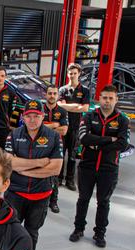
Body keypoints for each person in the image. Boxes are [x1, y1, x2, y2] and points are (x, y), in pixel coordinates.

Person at [4, 100, 63, 250]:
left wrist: (21, 167)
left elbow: (55, 168)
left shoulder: (54, 137)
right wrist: (39, 162)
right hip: (15, 193)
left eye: (36, 116)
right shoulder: (13, 135)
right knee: (10, 230)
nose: (32, 119)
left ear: (42, 117)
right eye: (28, 115)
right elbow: (8, 163)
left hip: (41, 195)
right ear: (23, 117)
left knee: (31, 232)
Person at [69, 85, 129, 248]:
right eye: (104, 97)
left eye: (111, 98)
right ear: (99, 98)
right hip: (87, 166)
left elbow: (123, 144)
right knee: (83, 199)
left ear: (116, 99)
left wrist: (97, 144)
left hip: (109, 168)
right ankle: (78, 229)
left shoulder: (123, 119)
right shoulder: (89, 116)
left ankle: (99, 233)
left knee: (103, 202)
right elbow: (83, 138)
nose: (107, 101)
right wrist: (110, 140)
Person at [57, 63, 90, 191]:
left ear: (79, 74)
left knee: (72, 154)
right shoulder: (62, 90)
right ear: (67, 74)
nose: (72, 75)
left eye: (75, 73)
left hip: (76, 127)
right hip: (62, 127)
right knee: (60, 154)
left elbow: (85, 108)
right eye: (70, 73)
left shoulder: (85, 91)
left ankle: (70, 180)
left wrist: (67, 106)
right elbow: (59, 106)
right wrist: (76, 106)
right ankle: (59, 178)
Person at [42, 85, 69, 213]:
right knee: (40, 173)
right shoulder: (40, 109)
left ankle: (54, 202)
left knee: (54, 175)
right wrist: (54, 125)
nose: (52, 96)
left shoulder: (63, 112)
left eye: (54, 93)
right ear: (45, 95)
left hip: (56, 147)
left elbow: (63, 131)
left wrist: (44, 126)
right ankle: (42, 200)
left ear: (58, 96)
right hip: (40, 146)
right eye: (49, 93)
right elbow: (34, 127)